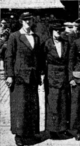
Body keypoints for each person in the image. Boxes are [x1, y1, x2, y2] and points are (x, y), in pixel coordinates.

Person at [4, 12, 43, 146]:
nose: (28, 22)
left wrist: (39, 74)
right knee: (20, 107)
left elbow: (38, 58)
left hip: (32, 77)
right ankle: (19, 135)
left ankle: (30, 133)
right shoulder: (14, 36)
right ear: (21, 21)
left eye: (30, 20)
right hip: (19, 77)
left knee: (32, 107)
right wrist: (9, 75)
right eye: (25, 20)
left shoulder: (36, 37)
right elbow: (9, 57)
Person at [43, 19, 72, 139]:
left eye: (60, 30)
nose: (58, 32)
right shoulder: (47, 44)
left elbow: (69, 60)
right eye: (56, 30)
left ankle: (63, 129)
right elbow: (42, 59)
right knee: (53, 104)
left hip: (64, 76)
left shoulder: (66, 43)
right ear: (51, 31)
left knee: (64, 103)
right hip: (51, 76)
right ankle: (52, 130)